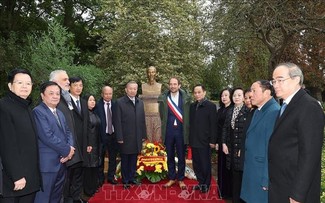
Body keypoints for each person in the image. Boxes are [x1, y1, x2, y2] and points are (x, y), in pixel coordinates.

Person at [268, 62, 325, 203]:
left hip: (294, 191)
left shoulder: (309, 106)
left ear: (296, 79)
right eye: (273, 81)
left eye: (280, 80)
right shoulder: (286, 105)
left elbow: (310, 155)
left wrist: (298, 194)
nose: (275, 84)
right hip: (280, 185)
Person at [0, 69, 41, 203]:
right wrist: (17, 175)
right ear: (10, 85)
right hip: (14, 180)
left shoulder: (26, 106)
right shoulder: (4, 107)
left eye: (28, 83)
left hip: (30, 177)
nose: (25, 86)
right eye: (20, 83)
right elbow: (7, 144)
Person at [33, 81, 75, 203]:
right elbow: (47, 136)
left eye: (57, 93)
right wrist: (67, 150)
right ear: (42, 95)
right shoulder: (38, 112)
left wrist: (70, 149)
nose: (55, 96)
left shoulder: (60, 113)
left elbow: (68, 132)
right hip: (47, 165)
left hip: (62, 163)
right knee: (43, 199)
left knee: (56, 198)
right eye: (51, 93)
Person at [240, 80, 280, 203]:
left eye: (254, 90)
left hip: (260, 173)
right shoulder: (259, 110)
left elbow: (272, 149)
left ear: (267, 92)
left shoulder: (273, 111)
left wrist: (266, 178)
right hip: (252, 169)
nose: (250, 94)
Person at [49, 70, 83, 203]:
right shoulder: (54, 102)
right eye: (65, 80)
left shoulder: (66, 99)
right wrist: (66, 149)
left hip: (70, 151)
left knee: (69, 182)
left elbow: (69, 127)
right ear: (54, 82)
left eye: (68, 79)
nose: (68, 82)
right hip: (59, 154)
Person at [158, 77, 191, 190]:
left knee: (181, 156)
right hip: (169, 131)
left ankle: (181, 179)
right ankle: (172, 178)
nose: (172, 86)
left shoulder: (186, 98)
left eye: (175, 84)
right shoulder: (164, 98)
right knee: (170, 155)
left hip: (181, 131)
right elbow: (162, 115)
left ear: (179, 85)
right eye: (171, 84)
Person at [114, 81, 147, 189]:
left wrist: (143, 135)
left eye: (135, 89)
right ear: (126, 90)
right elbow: (117, 121)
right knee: (125, 160)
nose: (133, 90)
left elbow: (142, 120)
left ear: (137, 90)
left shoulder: (140, 102)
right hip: (125, 137)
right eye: (130, 88)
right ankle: (125, 181)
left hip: (137, 137)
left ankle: (132, 178)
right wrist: (119, 137)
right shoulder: (119, 102)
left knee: (134, 159)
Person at [221, 87, 249, 203]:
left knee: (241, 176)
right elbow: (225, 129)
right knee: (233, 175)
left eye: (239, 95)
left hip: (241, 149)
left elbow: (248, 132)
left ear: (243, 97)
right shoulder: (230, 111)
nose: (236, 97)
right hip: (230, 148)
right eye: (234, 95)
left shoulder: (248, 111)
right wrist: (223, 143)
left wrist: (243, 148)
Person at [189, 85, 217, 193]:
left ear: (204, 92)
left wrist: (213, 141)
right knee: (196, 164)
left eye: (199, 92)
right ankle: (200, 183)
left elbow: (213, 125)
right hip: (194, 140)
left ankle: (206, 184)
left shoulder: (210, 106)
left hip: (205, 141)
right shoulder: (192, 106)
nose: (197, 94)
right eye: (195, 92)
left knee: (205, 164)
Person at [67, 76, 90, 202]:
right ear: (69, 86)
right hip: (71, 143)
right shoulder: (65, 102)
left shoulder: (83, 102)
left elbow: (86, 124)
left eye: (80, 85)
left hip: (83, 143)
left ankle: (76, 197)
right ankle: (69, 197)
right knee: (70, 172)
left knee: (80, 171)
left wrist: (88, 143)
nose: (78, 88)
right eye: (75, 85)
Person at [95, 86, 118, 186]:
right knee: (100, 158)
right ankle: (100, 179)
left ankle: (110, 177)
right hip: (101, 136)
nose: (108, 96)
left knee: (113, 158)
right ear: (102, 94)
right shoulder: (97, 105)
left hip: (113, 135)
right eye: (106, 94)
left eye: (110, 94)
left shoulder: (115, 105)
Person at [82, 94, 101, 198]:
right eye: (90, 100)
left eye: (94, 100)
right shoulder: (84, 114)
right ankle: (88, 190)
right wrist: (87, 143)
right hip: (89, 144)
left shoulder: (94, 113)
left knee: (94, 166)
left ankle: (93, 187)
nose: (93, 102)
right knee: (88, 167)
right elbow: (84, 131)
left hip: (96, 144)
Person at [216, 88, 233, 199]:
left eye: (226, 95)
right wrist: (217, 142)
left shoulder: (232, 110)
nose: (224, 97)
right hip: (220, 141)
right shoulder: (220, 110)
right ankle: (221, 190)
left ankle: (228, 192)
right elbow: (217, 128)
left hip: (229, 143)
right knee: (221, 166)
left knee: (228, 168)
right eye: (222, 95)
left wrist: (225, 142)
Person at [141, 66, 162, 142]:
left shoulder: (159, 86)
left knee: (157, 140)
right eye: (149, 72)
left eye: (153, 72)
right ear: (147, 73)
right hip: (146, 116)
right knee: (148, 140)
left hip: (157, 116)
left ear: (156, 73)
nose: (151, 74)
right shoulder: (143, 86)